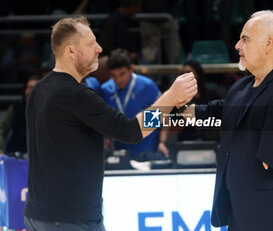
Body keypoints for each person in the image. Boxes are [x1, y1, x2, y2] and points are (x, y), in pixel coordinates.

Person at [23, 16, 197, 231]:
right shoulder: (76, 95)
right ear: (71, 51)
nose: (99, 48)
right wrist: (170, 97)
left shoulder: (39, 89)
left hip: (41, 214)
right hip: (69, 219)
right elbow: (131, 131)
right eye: (90, 44)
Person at [183, 10, 273, 230]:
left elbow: (268, 161)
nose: (237, 45)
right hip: (243, 216)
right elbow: (210, 114)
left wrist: (228, 122)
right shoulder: (241, 87)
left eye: (245, 39)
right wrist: (159, 112)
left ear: (268, 44)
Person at [98, 49, 169, 161]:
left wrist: (162, 142)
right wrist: (107, 138)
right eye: (113, 75)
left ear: (131, 69)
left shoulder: (147, 86)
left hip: (147, 149)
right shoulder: (105, 89)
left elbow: (164, 114)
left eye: (122, 74)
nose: (118, 80)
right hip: (119, 151)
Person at [0, 75, 40, 155]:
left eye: (31, 88)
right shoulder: (15, 108)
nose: (27, 91)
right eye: (27, 87)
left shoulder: (48, 110)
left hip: (39, 155)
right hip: (15, 152)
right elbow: (2, 130)